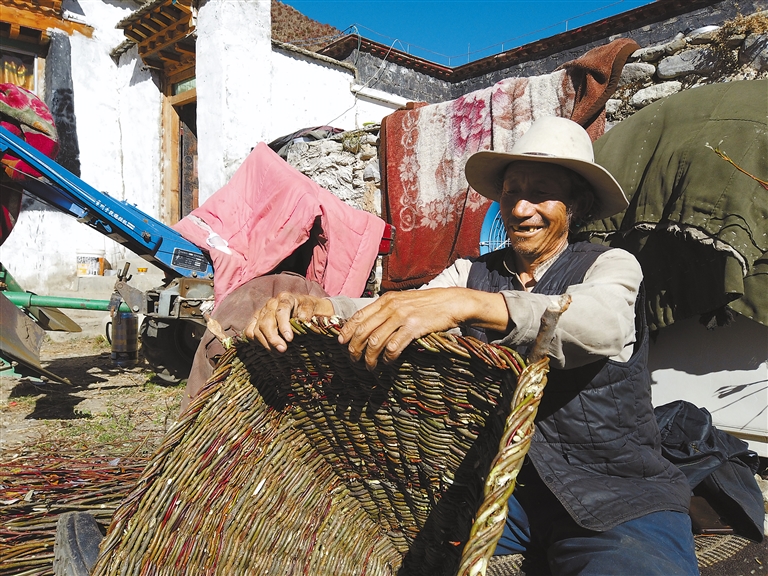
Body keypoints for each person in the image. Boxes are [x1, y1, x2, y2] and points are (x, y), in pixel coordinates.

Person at [245, 116, 699, 575]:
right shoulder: (472, 273)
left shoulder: (611, 264)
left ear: (576, 205)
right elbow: (402, 308)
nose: (521, 208)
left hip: (615, 492)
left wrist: (469, 305)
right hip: (501, 492)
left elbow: (600, 325)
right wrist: (320, 307)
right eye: (511, 192)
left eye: (541, 193)